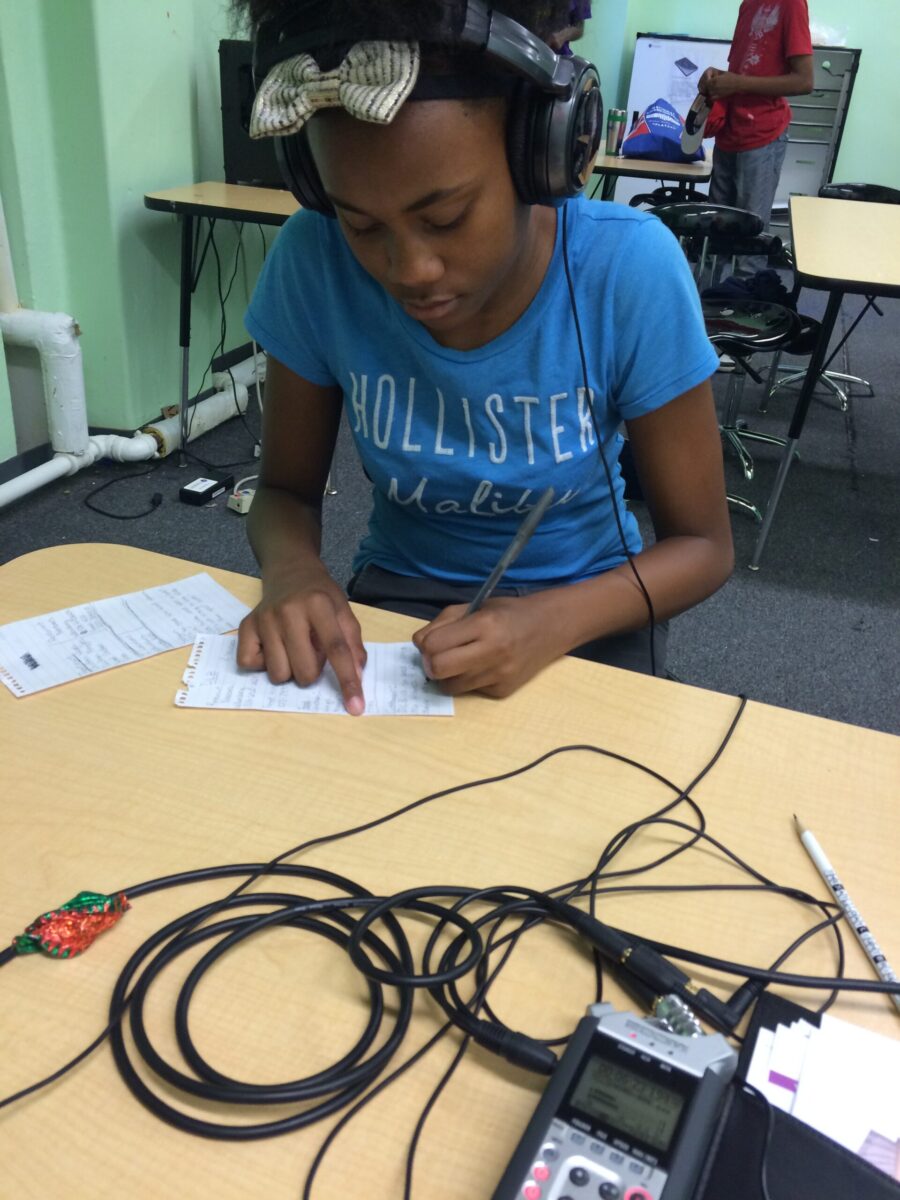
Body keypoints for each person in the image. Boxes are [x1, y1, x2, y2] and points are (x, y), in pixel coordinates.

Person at [234, 0, 734, 715]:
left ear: (543, 154)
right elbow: (282, 492)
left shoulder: (627, 269)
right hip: (400, 601)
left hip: (588, 604)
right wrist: (292, 572)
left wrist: (546, 622)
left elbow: (703, 547)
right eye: (360, 223)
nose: (410, 270)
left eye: (446, 218)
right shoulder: (312, 262)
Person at [701, 0, 813, 229]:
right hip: (729, 133)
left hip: (762, 136)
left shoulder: (791, 4)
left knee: (748, 242)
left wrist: (738, 83)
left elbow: (805, 81)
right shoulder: (748, 4)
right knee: (716, 235)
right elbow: (745, 71)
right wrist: (717, 77)